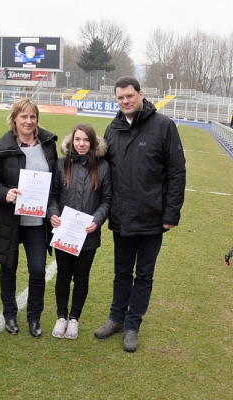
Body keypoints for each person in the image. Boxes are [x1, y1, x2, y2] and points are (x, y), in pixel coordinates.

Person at [94, 77, 186, 352]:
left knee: (144, 275)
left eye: (129, 96)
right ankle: (116, 319)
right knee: (121, 272)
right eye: (120, 98)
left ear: (141, 95)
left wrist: (171, 212)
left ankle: (133, 326)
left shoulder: (163, 126)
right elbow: (102, 171)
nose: (125, 101)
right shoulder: (113, 128)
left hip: (152, 218)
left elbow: (177, 172)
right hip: (121, 218)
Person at [0, 98, 58, 337]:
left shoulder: (48, 144)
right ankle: (9, 314)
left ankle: (34, 318)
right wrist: (5, 193)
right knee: (9, 268)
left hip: (37, 222)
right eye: (23, 116)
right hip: (9, 219)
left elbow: (54, 181)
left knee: (38, 270)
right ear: (15, 118)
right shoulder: (2, 146)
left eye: (32, 116)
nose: (28, 121)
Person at [47, 123, 111, 340]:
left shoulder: (103, 167)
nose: (81, 144)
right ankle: (61, 316)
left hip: (88, 234)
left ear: (92, 143)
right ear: (71, 141)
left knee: (81, 278)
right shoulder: (60, 164)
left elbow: (107, 200)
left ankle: (74, 318)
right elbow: (53, 196)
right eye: (77, 140)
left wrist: (97, 220)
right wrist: (53, 215)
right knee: (63, 276)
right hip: (65, 233)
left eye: (85, 140)